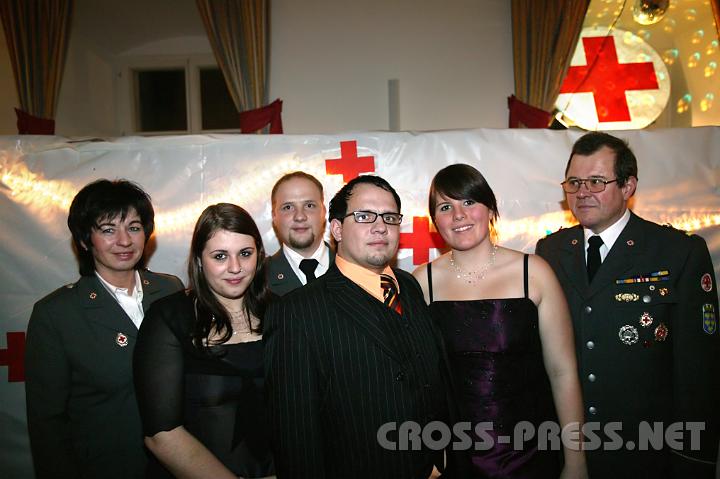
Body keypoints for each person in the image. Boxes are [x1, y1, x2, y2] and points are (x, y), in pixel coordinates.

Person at [535, 131, 720, 478]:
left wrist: (694, 461)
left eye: (596, 181)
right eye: (574, 182)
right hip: (570, 449)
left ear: (628, 186)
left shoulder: (677, 252)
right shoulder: (550, 251)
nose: (582, 192)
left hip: (647, 452)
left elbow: (699, 371)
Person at [264, 175, 449, 478]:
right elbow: (295, 438)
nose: (380, 227)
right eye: (364, 216)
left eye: (390, 217)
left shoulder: (409, 286)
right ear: (336, 229)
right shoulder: (296, 312)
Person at [413, 164, 587, 479]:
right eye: (445, 207)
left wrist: (576, 462)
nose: (458, 215)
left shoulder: (534, 273)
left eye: (468, 202)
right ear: (434, 221)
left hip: (532, 452)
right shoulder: (421, 283)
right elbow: (419, 384)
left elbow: (563, 373)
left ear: (490, 208)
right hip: (456, 458)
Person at [25, 179, 184, 479]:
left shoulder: (170, 289)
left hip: (176, 467)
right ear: (85, 240)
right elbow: (48, 426)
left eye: (134, 227)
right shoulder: (57, 314)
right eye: (108, 230)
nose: (124, 241)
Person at [134, 203, 275, 478]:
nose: (235, 268)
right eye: (220, 256)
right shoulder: (169, 318)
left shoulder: (282, 314)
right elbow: (161, 434)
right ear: (199, 259)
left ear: (259, 255)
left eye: (245, 254)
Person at [267, 171, 334, 295]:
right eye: (288, 207)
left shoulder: (356, 269)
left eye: (309, 205)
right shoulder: (258, 280)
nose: (299, 216)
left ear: (324, 212)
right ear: (274, 216)